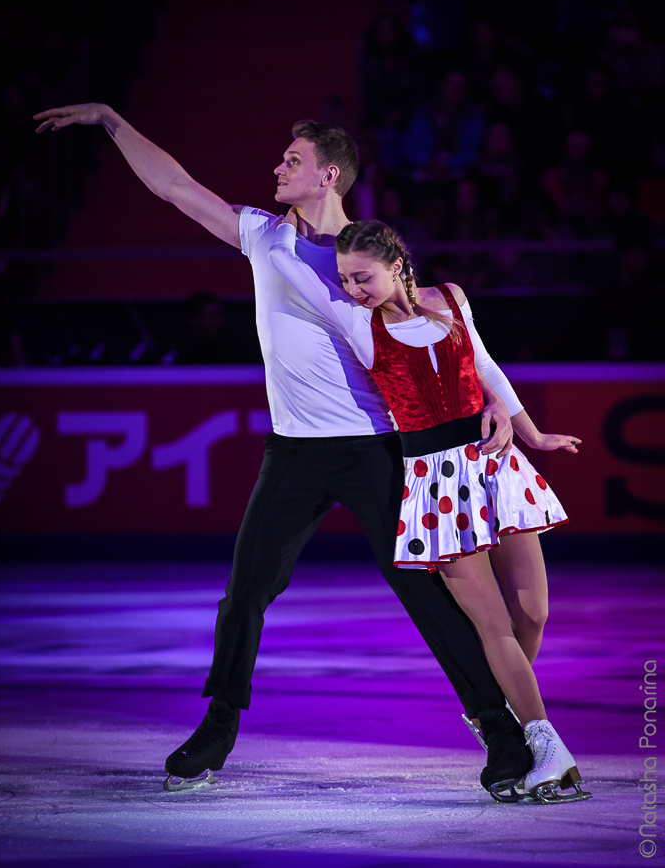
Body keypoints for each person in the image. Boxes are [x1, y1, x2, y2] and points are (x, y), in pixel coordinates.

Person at [34, 103, 530, 798]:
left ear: (329, 176)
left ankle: (501, 732)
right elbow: (175, 187)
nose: (277, 167)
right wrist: (110, 121)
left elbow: (445, 335)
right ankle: (218, 727)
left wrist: (501, 411)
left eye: (292, 161)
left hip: (375, 449)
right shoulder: (262, 237)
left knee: (423, 591)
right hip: (293, 453)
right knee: (245, 592)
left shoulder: (369, 261)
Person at [269, 214, 591, 804]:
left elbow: (486, 367)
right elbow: (284, 267)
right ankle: (546, 745)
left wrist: (532, 433)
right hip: (435, 482)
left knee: (533, 614)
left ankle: (514, 724)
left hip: (493, 464)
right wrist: (290, 224)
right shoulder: (358, 323)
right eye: (344, 279)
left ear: (397, 265)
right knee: (490, 624)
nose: (352, 289)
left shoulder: (451, 298)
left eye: (362, 276)